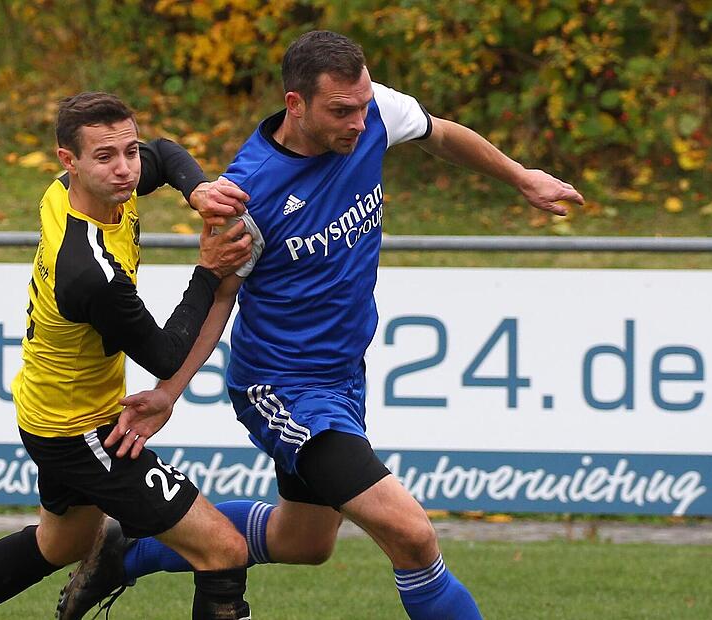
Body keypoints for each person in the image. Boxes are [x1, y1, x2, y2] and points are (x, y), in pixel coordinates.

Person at [63, 31, 585, 620]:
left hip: (344, 379)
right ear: (296, 104)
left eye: (362, 105)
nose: (358, 122)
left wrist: (520, 177)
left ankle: (127, 550)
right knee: (413, 535)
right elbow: (220, 294)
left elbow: (439, 133)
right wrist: (169, 392)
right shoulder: (247, 194)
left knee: (305, 541)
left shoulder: (372, 111)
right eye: (341, 111)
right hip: (283, 388)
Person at [0, 91, 258, 620]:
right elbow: (164, 356)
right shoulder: (88, 270)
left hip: (48, 410)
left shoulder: (73, 190)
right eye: (106, 156)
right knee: (223, 550)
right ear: (70, 161)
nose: (126, 168)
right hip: (79, 430)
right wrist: (208, 271)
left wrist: (197, 189)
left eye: (129, 150)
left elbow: (165, 153)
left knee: (60, 543)